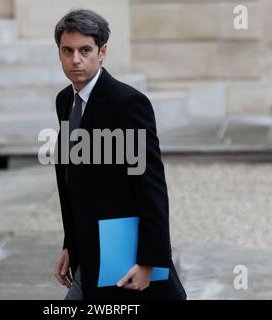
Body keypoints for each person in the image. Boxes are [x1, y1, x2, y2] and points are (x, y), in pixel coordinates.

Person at [52, 9, 187, 300]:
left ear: (102, 52)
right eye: (68, 50)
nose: (76, 59)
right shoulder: (64, 101)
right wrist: (70, 244)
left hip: (124, 258)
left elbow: (151, 187)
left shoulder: (127, 103)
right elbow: (73, 180)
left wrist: (149, 262)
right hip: (88, 253)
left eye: (85, 50)